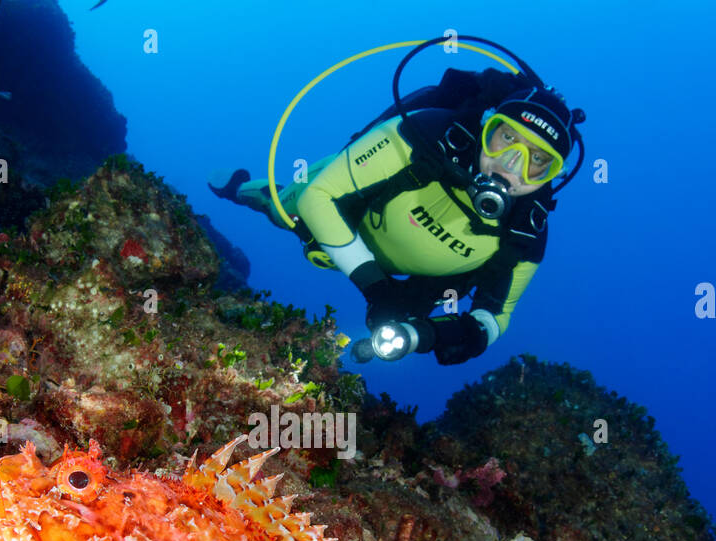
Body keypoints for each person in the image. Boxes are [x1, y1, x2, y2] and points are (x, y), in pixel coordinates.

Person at [209, 76, 583, 365]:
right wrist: (377, 290)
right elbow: (318, 199)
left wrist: (455, 335)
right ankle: (243, 188)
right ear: (487, 127)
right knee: (285, 209)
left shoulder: (526, 232)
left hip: (404, 284)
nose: (511, 164)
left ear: (552, 175)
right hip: (345, 209)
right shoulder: (428, 134)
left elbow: (496, 315)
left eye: (537, 160)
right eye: (506, 138)